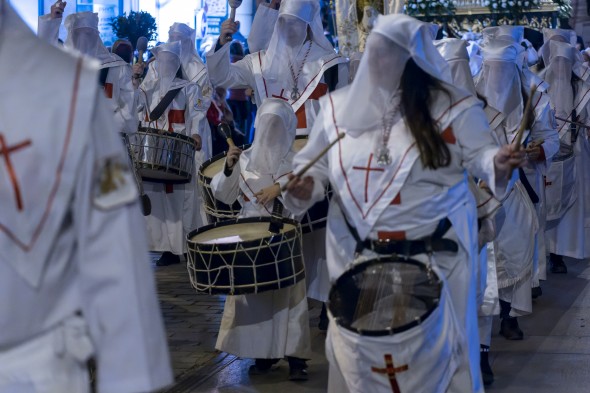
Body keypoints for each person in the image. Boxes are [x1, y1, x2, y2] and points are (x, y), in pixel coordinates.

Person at [284, 14, 525, 393]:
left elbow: (483, 155)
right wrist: (306, 187)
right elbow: (312, 167)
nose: (380, 63)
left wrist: (497, 162)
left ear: (413, 59)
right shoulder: (337, 110)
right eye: (376, 54)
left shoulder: (453, 108)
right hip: (359, 258)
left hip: (435, 259)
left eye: (391, 55)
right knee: (355, 366)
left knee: (443, 365)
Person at [0, 1, 173, 392]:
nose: (79, 42)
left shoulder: (74, 85)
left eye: (85, 35)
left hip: (35, 356)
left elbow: (114, 245)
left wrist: (130, 374)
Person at [210, 98, 311, 380]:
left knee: (288, 298)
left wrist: (281, 189)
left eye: (277, 126)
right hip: (249, 235)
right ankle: (262, 353)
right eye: (266, 126)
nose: (271, 132)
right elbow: (223, 195)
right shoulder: (243, 158)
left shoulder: (297, 163)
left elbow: (305, 199)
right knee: (254, 298)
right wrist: (229, 168)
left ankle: (296, 358)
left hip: (285, 235)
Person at [475, 29, 558, 350]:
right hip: (482, 189)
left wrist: (536, 152)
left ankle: (508, 315)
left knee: (516, 250)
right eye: (493, 69)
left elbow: (549, 137)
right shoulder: (470, 97)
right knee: (486, 255)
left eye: (504, 70)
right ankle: (484, 326)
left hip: (522, 185)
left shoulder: (534, 95)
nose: (499, 77)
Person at [435, 37, 502, 386]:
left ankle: (482, 352)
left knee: (477, 287)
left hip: (471, 213)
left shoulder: (483, 115)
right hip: (436, 217)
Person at [207, 0, 348, 137]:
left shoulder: (331, 64)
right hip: (270, 151)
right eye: (283, 21)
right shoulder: (259, 63)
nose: (288, 28)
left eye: (295, 22)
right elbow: (220, 77)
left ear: (308, 25)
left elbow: (343, 115)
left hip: (314, 154)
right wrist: (222, 42)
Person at [137, 41, 208, 266]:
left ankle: (185, 246)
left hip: (179, 152)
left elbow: (197, 114)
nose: (166, 65)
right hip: (154, 152)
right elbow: (138, 111)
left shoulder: (189, 88)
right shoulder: (147, 89)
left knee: (183, 201)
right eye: (162, 60)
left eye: (170, 61)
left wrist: (196, 134)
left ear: (177, 63)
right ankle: (166, 248)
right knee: (158, 201)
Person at [39, 6, 138, 134]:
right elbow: (43, 56)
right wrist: (52, 20)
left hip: (106, 138)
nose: (84, 39)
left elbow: (128, 105)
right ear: (71, 36)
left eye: (88, 34)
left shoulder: (117, 67)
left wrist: (107, 127)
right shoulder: (63, 66)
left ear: (96, 36)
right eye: (78, 34)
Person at [541, 28, 590, 270]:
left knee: (572, 203)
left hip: (578, 152)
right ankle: (552, 254)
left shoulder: (582, 82)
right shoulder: (537, 84)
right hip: (548, 155)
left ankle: (566, 250)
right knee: (550, 203)